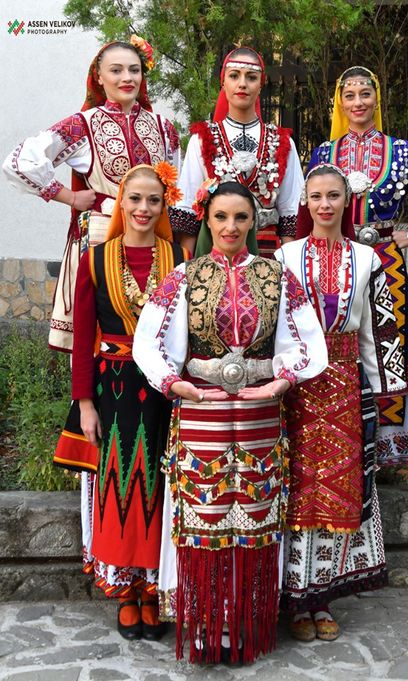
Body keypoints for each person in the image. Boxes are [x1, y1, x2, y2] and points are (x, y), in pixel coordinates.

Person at [133, 179, 328, 663]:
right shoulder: (183, 276)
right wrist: (174, 384)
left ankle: (246, 621)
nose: (230, 227)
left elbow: (307, 343)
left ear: (255, 222)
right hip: (202, 410)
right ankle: (205, 624)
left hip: (261, 413)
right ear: (207, 220)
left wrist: (282, 382)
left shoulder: (277, 277)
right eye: (221, 217)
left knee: (254, 523)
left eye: (241, 217)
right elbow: (148, 342)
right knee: (206, 518)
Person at [299, 66, 408, 466]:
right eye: (350, 95)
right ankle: (329, 440)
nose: (358, 103)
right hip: (333, 260)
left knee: (384, 349)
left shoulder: (399, 152)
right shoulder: (324, 154)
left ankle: (383, 450)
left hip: (383, 263)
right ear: (339, 103)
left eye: (365, 94)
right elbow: (305, 214)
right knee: (334, 346)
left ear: (377, 99)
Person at [53, 163, 187, 640]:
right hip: (112, 391)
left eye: (154, 200)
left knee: (162, 486)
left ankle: (155, 588)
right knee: (120, 486)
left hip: (166, 391)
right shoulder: (95, 259)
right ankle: (126, 591)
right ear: (121, 203)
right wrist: (84, 403)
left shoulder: (180, 260)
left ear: (163, 205)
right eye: (135, 199)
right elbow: (84, 335)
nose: (143, 209)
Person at [276, 163, 406, 641]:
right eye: (316, 196)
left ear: (346, 201)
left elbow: (375, 331)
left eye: (334, 196)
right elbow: (277, 329)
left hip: (346, 388)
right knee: (298, 488)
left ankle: (323, 597)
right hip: (299, 388)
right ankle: (295, 599)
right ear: (305, 203)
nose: (325, 204)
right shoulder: (285, 256)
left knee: (338, 489)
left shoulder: (367, 258)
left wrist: (380, 394)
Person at [3, 36, 180, 352]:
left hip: (153, 242)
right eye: (116, 70)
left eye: (134, 70)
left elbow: (173, 191)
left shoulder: (164, 128)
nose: (127, 78)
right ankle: (87, 400)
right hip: (99, 235)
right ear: (99, 77)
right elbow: (20, 162)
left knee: (155, 330)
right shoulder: (82, 125)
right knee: (97, 334)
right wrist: (68, 197)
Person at [168, 47, 303, 258]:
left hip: (268, 254)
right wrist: (188, 268)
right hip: (217, 252)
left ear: (261, 83)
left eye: (251, 77)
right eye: (234, 76)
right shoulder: (202, 139)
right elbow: (188, 212)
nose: (242, 84)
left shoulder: (282, 141)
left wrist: (290, 269)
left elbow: (291, 213)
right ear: (224, 82)